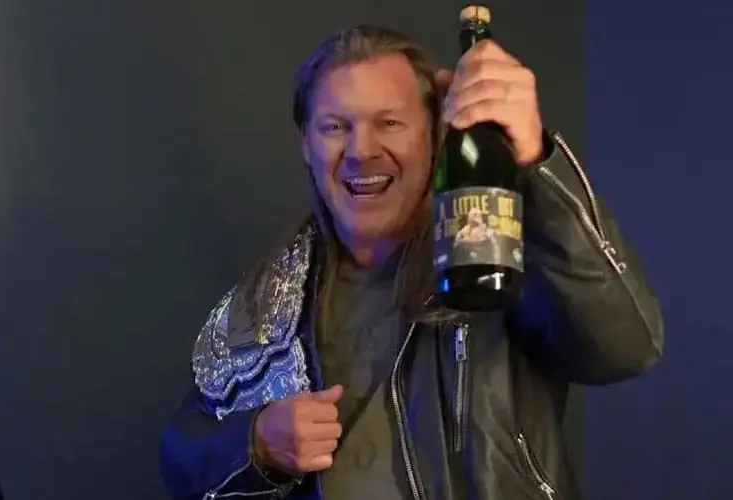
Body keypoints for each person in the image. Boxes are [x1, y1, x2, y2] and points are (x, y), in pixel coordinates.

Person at [159, 24, 663, 500]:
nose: (361, 151)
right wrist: (257, 444)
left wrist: (534, 161)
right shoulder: (268, 297)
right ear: (306, 146)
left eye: (390, 123)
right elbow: (183, 455)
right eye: (335, 127)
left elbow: (625, 347)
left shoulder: (495, 256)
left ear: (434, 136)